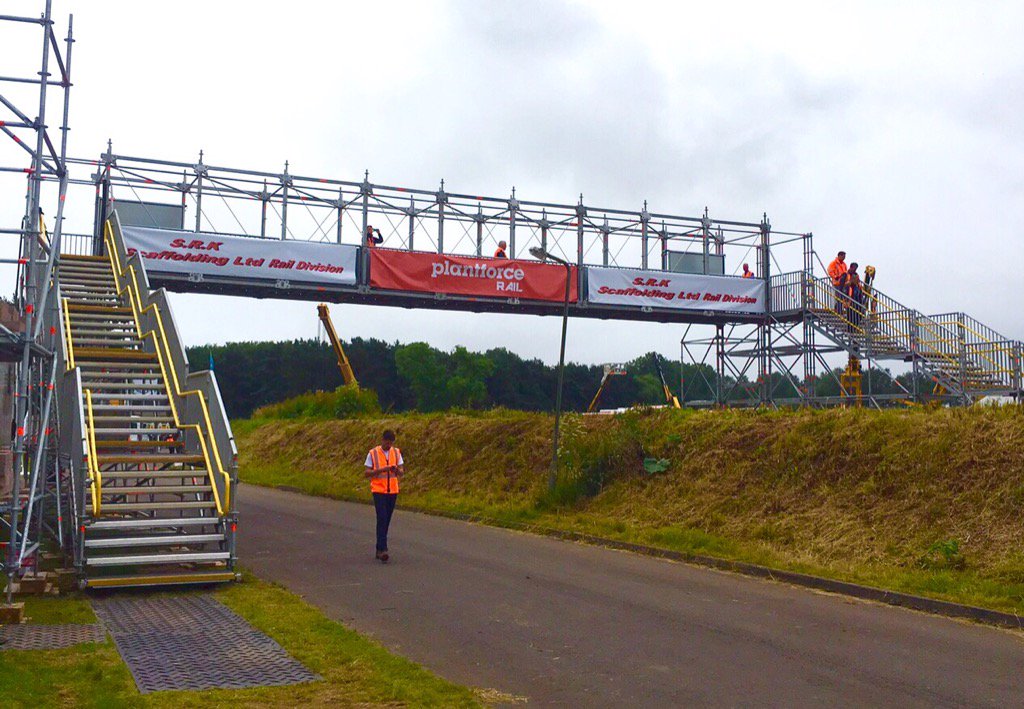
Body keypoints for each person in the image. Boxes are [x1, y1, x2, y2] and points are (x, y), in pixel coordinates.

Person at [364, 429, 404, 563]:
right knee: (381, 517)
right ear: (382, 440)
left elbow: (402, 471)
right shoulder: (373, 453)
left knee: (386, 519)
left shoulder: (396, 452)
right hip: (378, 490)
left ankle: (379, 547)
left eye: (391, 443)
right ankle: (383, 549)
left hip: (392, 490)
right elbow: (367, 472)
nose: (389, 446)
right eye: (387, 443)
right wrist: (382, 470)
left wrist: (397, 470)